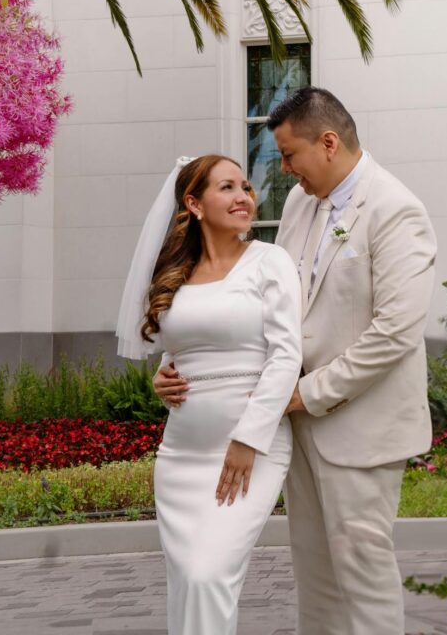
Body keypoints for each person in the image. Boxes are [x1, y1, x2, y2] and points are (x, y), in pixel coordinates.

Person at [155, 87, 438, 634]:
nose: (281, 170)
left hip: (359, 426)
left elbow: (396, 331)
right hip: (296, 428)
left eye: (289, 154)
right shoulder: (300, 203)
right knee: (315, 576)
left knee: (362, 571)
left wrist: (306, 392)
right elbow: (274, 312)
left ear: (328, 143)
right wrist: (182, 366)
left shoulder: (396, 209)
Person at [116, 154, 302, 635]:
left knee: (207, 576)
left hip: (248, 451)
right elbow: (177, 346)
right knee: (186, 584)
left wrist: (249, 438)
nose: (243, 196)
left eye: (245, 186)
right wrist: (162, 376)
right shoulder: (174, 275)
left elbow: (286, 356)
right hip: (180, 455)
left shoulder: (270, 261)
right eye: (227, 188)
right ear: (194, 204)